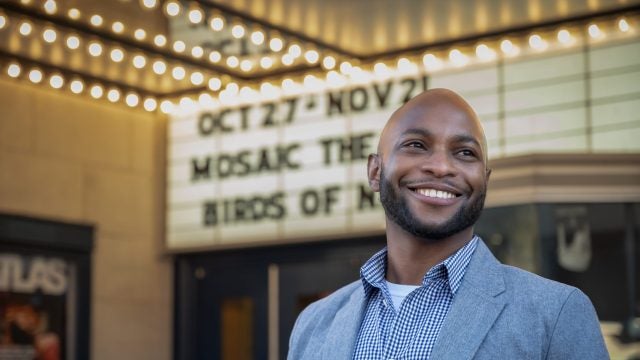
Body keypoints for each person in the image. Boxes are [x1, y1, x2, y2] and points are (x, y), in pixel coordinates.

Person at [287, 88, 608, 359]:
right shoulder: (314, 323)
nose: (441, 166)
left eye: (465, 152)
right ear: (374, 171)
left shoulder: (556, 314)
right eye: (416, 145)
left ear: (485, 180)